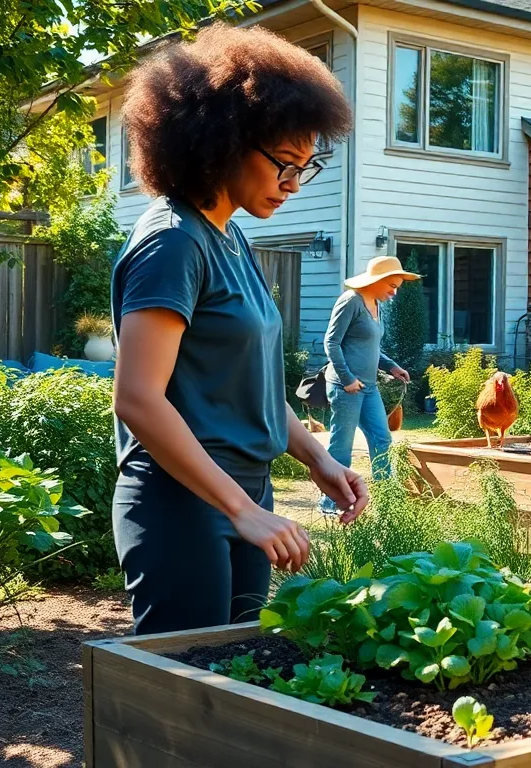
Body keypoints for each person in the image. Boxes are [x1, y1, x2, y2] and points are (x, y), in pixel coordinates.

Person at [110, 25, 367, 635]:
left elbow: (246, 387)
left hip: (244, 494)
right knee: (188, 701)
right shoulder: (172, 242)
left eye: (307, 167)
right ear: (221, 141)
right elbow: (137, 399)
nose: (294, 184)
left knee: (238, 689)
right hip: (183, 502)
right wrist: (241, 510)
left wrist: (317, 460)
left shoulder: (230, 237)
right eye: (284, 163)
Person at [320, 256, 418, 513]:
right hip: (346, 388)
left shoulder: (376, 303)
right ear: (377, 280)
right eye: (392, 286)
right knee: (341, 447)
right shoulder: (350, 301)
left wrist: (391, 366)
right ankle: (331, 503)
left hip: (369, 387)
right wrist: (347, 379)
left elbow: (370, 346)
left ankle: (386, 498)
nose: (394, 292)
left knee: (382, 439)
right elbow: (331, 343)